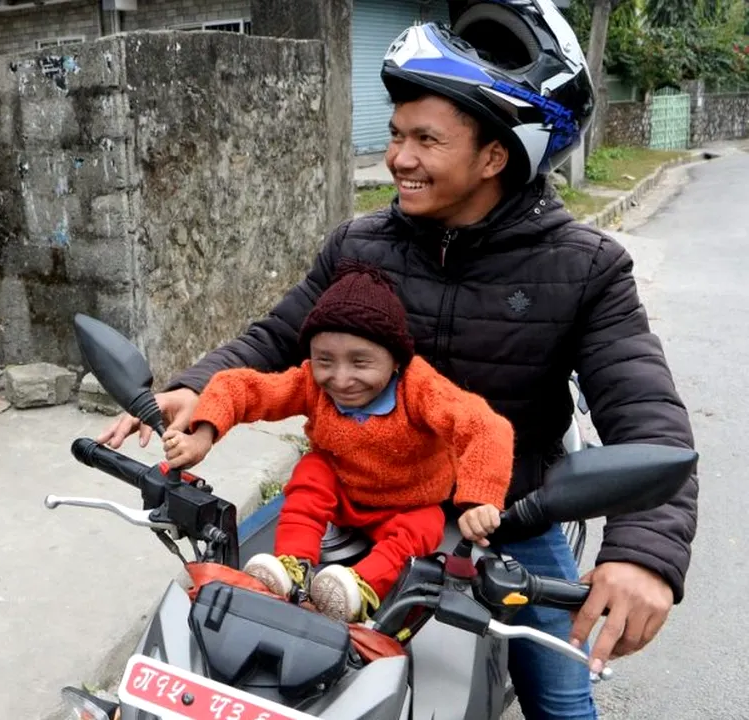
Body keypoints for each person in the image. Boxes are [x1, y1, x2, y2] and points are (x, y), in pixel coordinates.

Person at [100, 4, 696, 719]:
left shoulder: (587, 267)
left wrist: (644, 554)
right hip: (356, 488)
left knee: (564, 703)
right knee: (222, 649)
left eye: (425, 139)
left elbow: (646, 418)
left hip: (505, 516)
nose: (398, 158)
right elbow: (279, 335)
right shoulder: (360, 244)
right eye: (395, 134)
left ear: (494, 157)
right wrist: (194, 389)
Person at [161, 260, 515, 623]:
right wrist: (204, 433)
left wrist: (480, 499)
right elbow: (244, 388)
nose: (341, 379)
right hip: (343, 492)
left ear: (395, 360)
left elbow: (485, 426)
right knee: (313, 472)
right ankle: (292, 564)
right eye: (324, 360)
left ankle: (360, 586)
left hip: (408, 503)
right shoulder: (311, 384)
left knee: (426, 525)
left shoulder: (420, 388)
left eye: (360, 362)